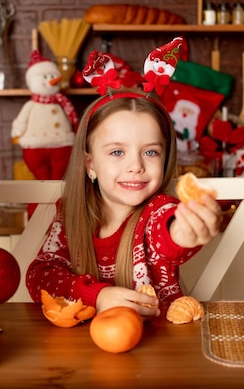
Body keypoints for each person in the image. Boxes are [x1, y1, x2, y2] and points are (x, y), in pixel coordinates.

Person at [25, 91, 223, 318]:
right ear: (90, 164)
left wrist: (183, 231)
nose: (136, 165)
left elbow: (167, 233)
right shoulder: (69, 215)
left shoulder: (158, 210)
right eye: (117, 152)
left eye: (150, 152)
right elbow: (40, 276)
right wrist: (97, 297)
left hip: (159, 344)